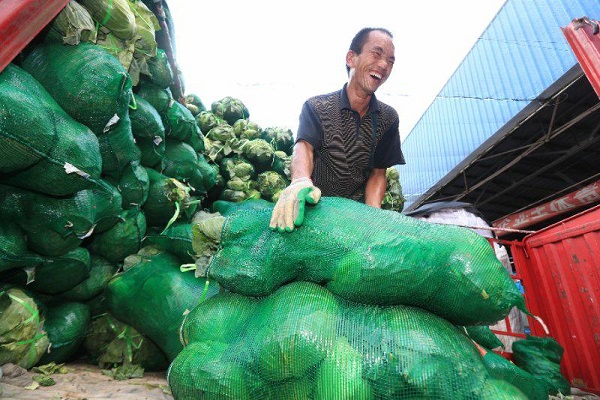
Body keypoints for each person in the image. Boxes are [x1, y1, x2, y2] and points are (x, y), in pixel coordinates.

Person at [269, 27, 405, 232]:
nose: (384, 65)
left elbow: (378, 173)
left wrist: (373, 218)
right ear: (351, 58)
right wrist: (300, 180)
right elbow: (304, 147)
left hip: (355, 219)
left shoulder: (388, 117)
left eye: (391, 61)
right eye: (376, 54)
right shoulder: (316, 106)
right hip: (315, 214)